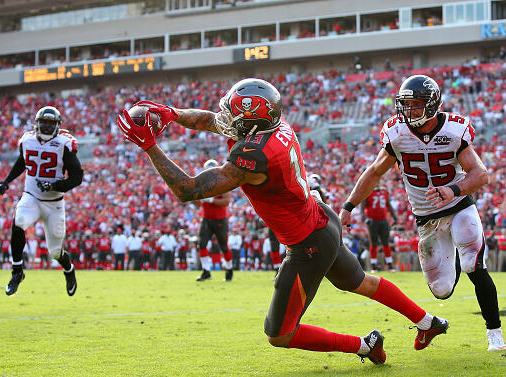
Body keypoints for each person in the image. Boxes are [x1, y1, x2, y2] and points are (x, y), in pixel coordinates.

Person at [117, 78, 448, 364]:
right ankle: (426, 320)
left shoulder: (255, 154)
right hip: (322, 220)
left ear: (252, 123)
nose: (225, 120)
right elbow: (210, 120)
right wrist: (171, 114)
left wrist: (150, 147)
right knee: (361, 282)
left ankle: (365, 346)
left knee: (280, 334)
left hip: (308, 245)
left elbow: (188, 189)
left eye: (234, 116)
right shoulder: (272, 124)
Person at [340, 75, 506, 351]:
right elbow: (375, 171)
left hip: (458, 206)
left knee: (473, 266)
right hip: (427, 217)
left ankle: (494, 333)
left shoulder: (454, 129)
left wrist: (454, 189)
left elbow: (481, 174)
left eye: (416, 104)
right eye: (406, 104)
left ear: (432, 104)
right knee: (441, 289)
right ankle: (449, 259)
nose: (410, 110)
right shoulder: (397, 133)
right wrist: (348, 206)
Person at [0, 106, 82, 296]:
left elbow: (77, 177)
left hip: (54, 204)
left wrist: (53, 186)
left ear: (58, 125)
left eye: (51, 123)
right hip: (32, 197)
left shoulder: (64, 144)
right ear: (36, 123)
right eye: (43, 122)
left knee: (55, 252)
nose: (46, 126)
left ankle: (69, 270)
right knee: (19, 221)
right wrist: (6, 181)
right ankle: (17, 271)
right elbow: (22, 162)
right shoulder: (27, 140)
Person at [195, 159, 234, 281]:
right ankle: (206, 271)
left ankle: (229, 270)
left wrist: (211, 200)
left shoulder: (222, 182)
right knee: (201, 244)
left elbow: (226, 201)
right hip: (206, 218)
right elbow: (196, 201)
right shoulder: (202, 183)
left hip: (220, 219)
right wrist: (197, 198)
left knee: (223, 246)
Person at [362, 185, 397, 271]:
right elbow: (362, 207)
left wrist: (394, 217)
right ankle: (374, 265)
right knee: (373, 243)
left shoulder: (384, 191)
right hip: (372, 220)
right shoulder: (367, 191)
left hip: (383, 220)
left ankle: (390, 264)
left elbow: (388, 205)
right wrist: (365, 218)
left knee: (386, 242)